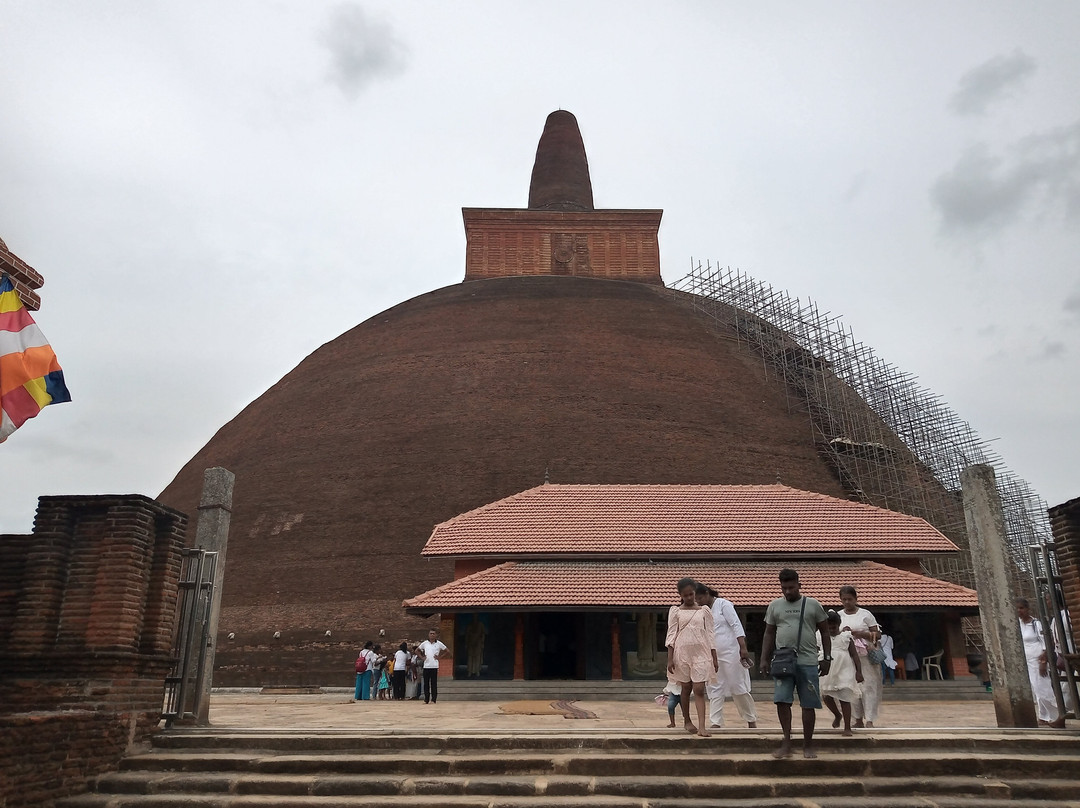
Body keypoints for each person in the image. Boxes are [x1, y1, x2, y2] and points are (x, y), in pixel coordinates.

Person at [759, 567, 830, 759]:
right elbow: (769, 633)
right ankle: (787, 742)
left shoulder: (813, 605)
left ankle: (808, 745)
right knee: (782, 701)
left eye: (791, 587)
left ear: (799, 585)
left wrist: (827, 658)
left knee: (808, 703)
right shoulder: (774, 606)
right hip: (783, 661)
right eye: (784, 588)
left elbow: (825, 632)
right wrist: (764, 659)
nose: (788, 591)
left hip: (808, 661)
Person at [695, 582, 757, 728]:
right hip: (712, 655)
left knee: (737, 685)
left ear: (707, 594)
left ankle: (750, 719)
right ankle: (716, 722)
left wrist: (743, 647)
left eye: (700, 598)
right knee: (714, 686)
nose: (698, 602)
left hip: (731, 652)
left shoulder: (724, 604)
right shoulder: (701, 611)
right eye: (696, 600)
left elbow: (736, 625)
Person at [665, 577, 718, 737]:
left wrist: (714, 657)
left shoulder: (704, 611)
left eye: (691, 594)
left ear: (695, 593)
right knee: (686, 688)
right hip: (682, 654)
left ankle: (702, 726)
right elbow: (671, 635)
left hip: (701, 653)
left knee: (699, 689)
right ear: (680, 595)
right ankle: (687, 720)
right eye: (685, 595)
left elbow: (710, 634)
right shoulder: (675, 612)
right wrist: (670, 659)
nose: (689, 597)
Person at [838, 585, 881, 728]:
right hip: (847, 657)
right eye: (844, 599)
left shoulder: (865, 614)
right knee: (851, 687)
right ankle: (857, 719)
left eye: (850, 599)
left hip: (866, 658)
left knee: (868, 687)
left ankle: (869, 719)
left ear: (855, 599)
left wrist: (860, 634)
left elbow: (878, 635)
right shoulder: (839, 616)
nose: (847, 602)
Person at [1017, 598, 1064, 727]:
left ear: (1027, 609)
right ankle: (1043, 716)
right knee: (1036, 690)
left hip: (1037, 660)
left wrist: (1043, 660)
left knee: (1043, 688)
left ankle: (1057, 715)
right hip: (1026, 660)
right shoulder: (1018, 624)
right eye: (1017, 608)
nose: (1019, 611)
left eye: (1021, 608)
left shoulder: (1035, 624)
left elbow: (1046, 642)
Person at [819, 610, 864, 735]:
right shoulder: (820, 637)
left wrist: (859, 671)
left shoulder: (846, 637)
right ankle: (837, 714)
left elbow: (854, 655)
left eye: (834, 627)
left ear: (839, 625)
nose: (831, 630)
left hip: (844, 671)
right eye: (828, 628)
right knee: (826, 695)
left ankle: (847, 727)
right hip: (828, 670)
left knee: (845, 697)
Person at [418, 629, 448, 704]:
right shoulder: (425, 643)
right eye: (431, 633)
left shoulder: (439, 644)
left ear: (436, 635)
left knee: (433, 684)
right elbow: (417, 650)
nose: (432, 635)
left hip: (434, 666)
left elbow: (447, 651)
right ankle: (426, 699)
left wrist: (440, 657)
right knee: (426, 684)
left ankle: (433, 699)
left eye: (433, 633)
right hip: (426, 666)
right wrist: (422, 657)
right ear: (428, 635)